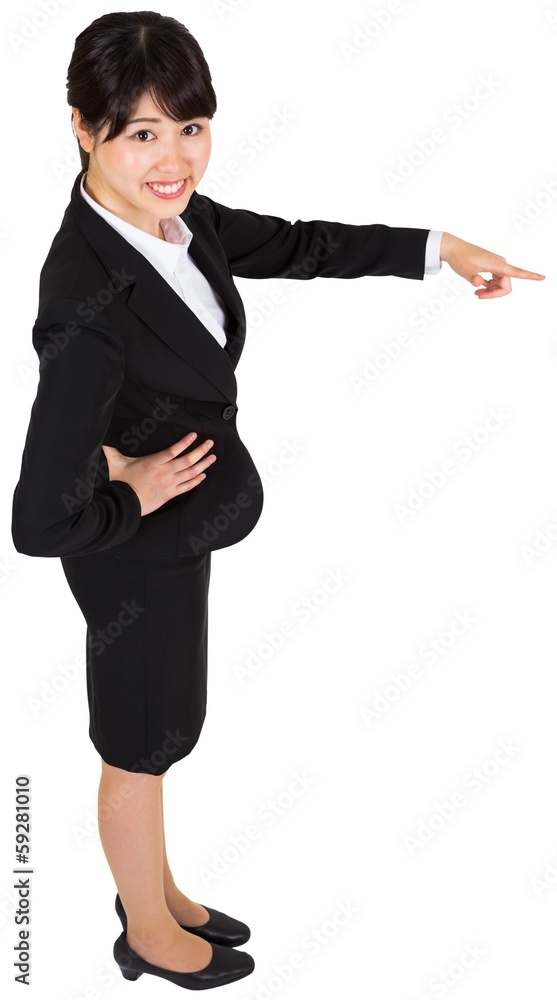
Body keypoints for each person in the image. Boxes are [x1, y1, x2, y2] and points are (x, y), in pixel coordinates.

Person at [10, 9, 545, 993]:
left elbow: (301, 245)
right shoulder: (84, 299)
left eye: (190, 127)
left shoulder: (175, 222)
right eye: (142, 133)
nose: (174, 159)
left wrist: (442, 248)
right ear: (82, 128)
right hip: (130, 557)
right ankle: (143, 933)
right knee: (139, 744)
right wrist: (129, 490)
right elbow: (38, 519)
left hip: (175, 540)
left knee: (168, 727)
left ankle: (158, 891)